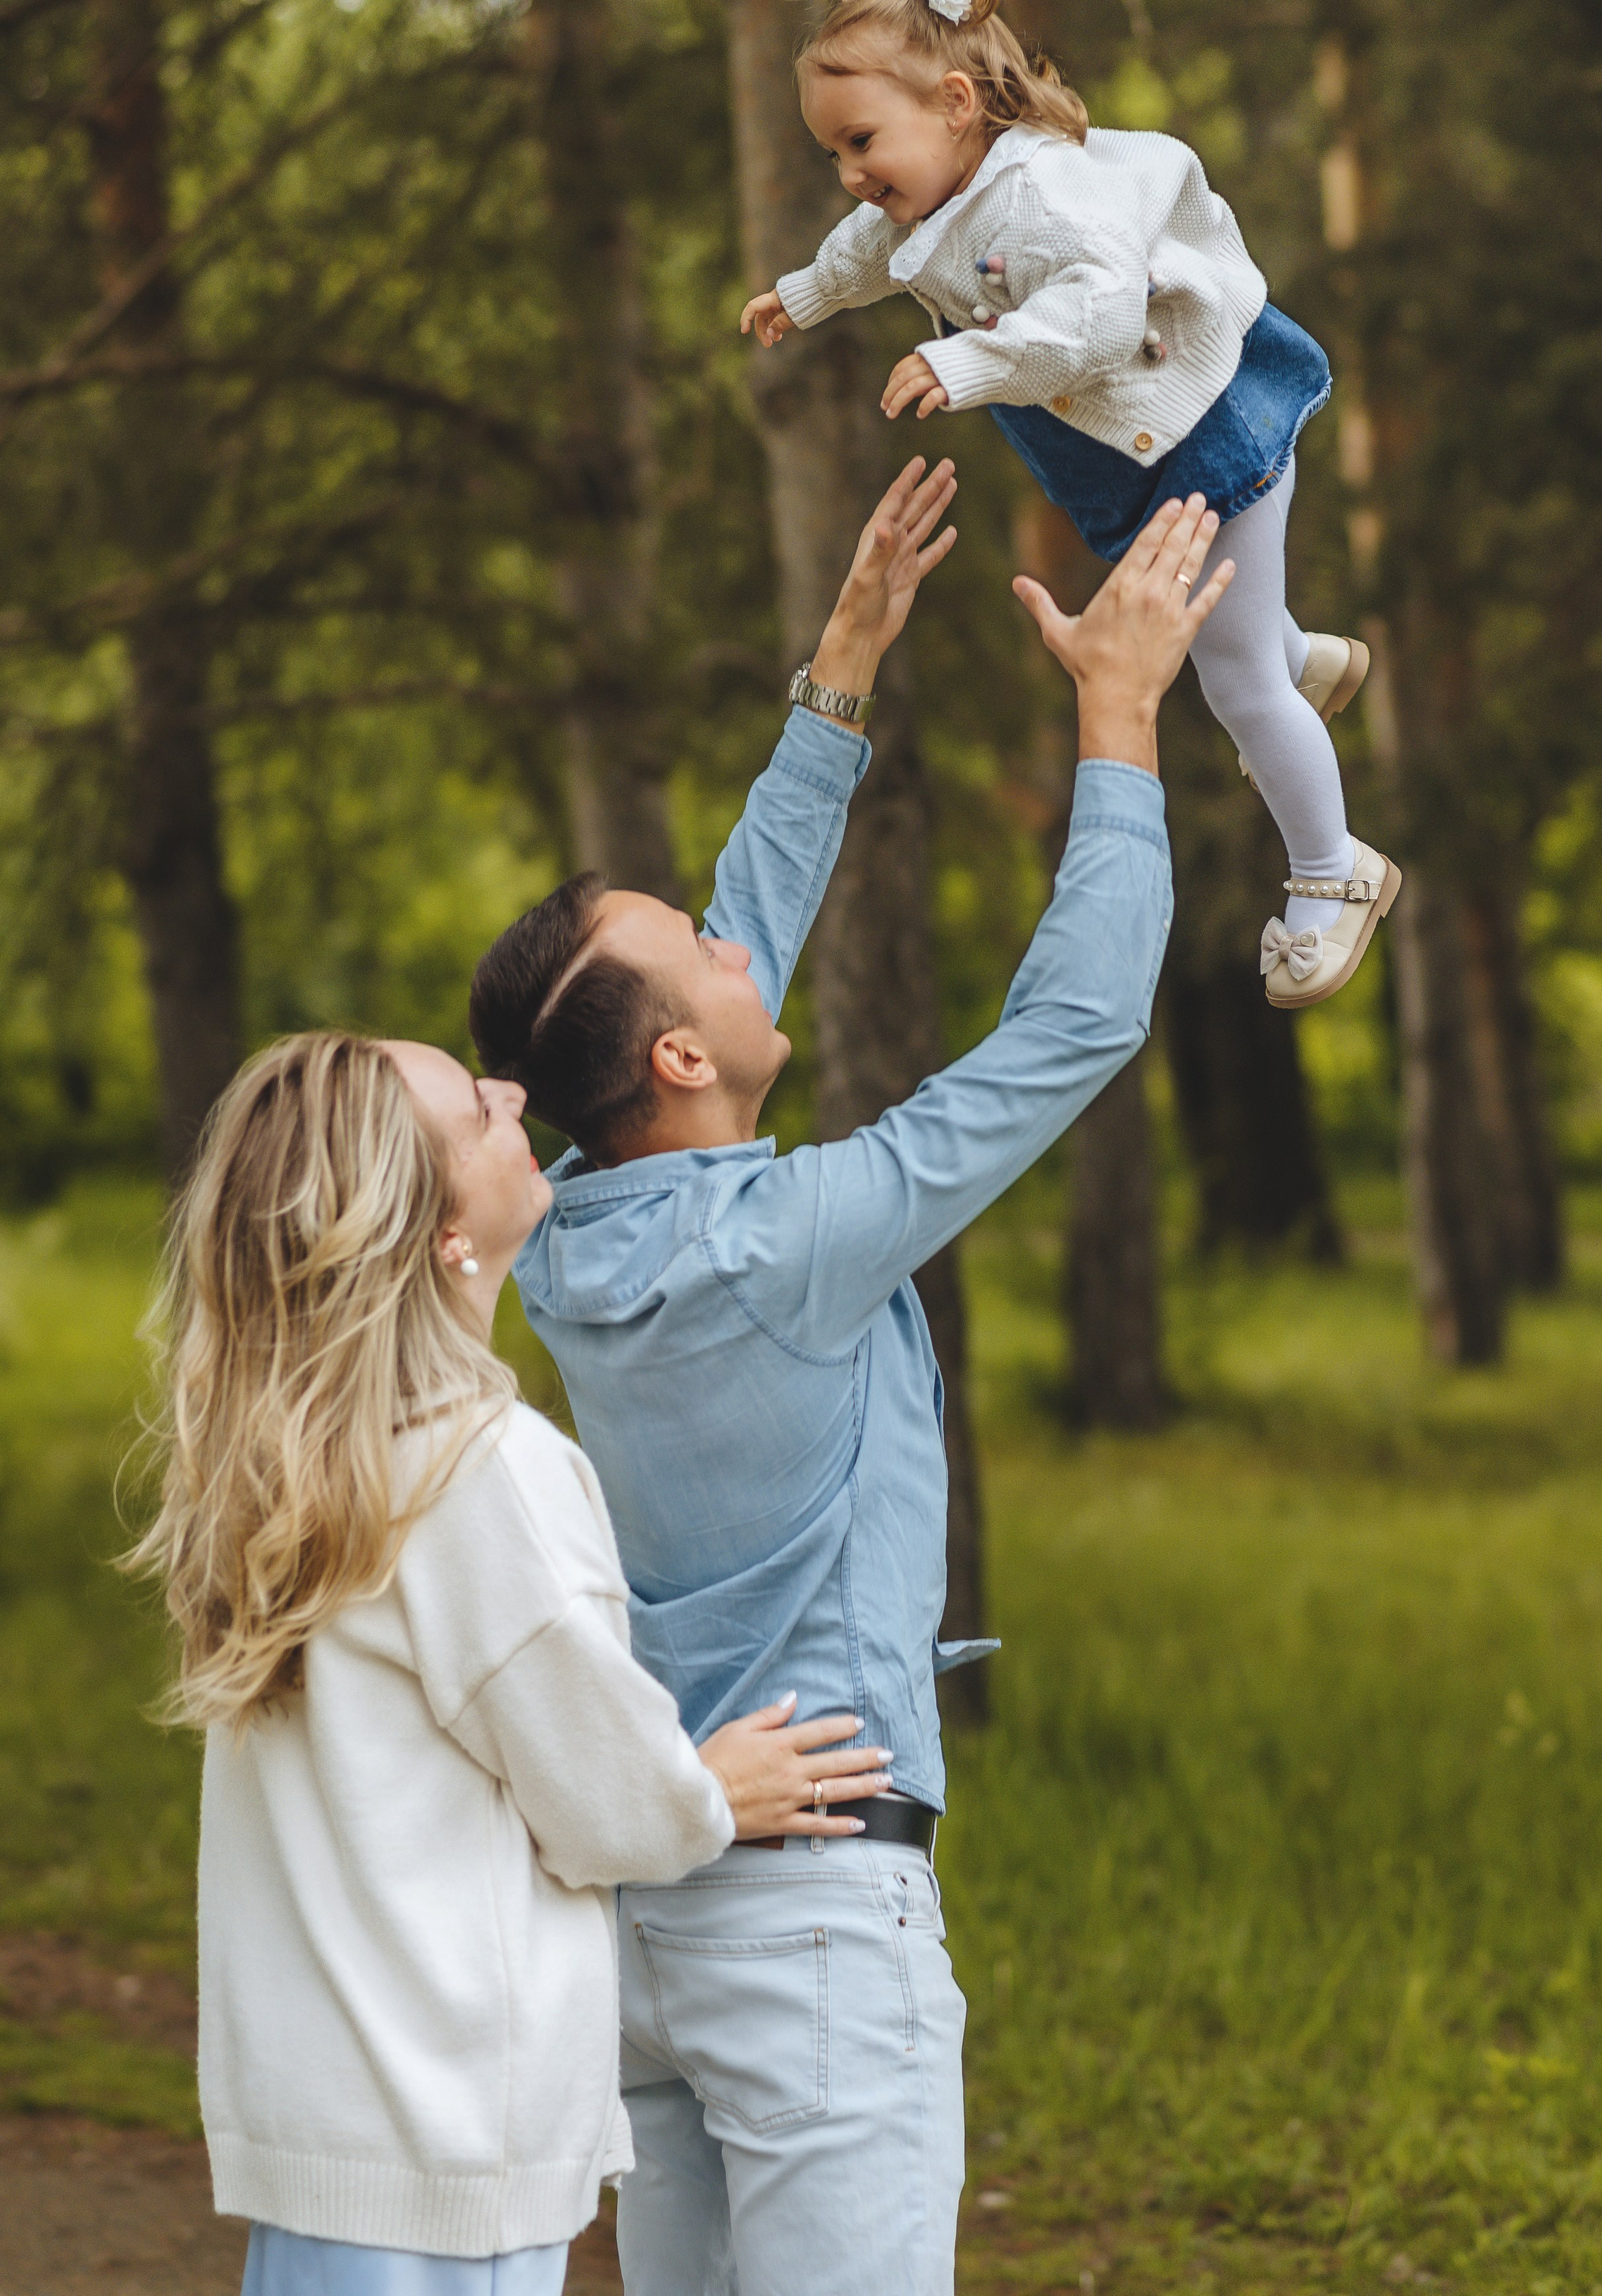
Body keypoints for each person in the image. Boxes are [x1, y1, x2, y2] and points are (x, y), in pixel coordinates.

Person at [465, 452, 1234, 2296]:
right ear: (667, 1065)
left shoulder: (563, 1240)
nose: (736, 937)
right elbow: (1072, 1029)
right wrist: (1118, 721)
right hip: (814, 1927)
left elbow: (723, 956)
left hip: (649, 1920)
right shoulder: (792, 1242)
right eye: (694, 949)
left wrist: (843, 677)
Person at [127, 1029, 892, 2296]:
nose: (513, 1095)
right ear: (437, 1233)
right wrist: (710, 1791)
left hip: (331, 2135)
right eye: (475, 1113)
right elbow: (607, 1805)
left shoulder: (308, 1476)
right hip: (445, 2146)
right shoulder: (485, 1471)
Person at [739, 0, 1401, 1012]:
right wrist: (802, 294)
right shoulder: (931, 190)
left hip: (1203, 419)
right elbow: (872, 252)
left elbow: (1099, 319)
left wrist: (970, 361)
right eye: (834, 154)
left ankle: (1337, 870)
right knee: (1242, 640)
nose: (852, 174)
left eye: (861, 142)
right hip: (1139, 440)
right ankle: (1309, 662)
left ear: (955, 106)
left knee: (1231, 679)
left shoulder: (1044, 198)